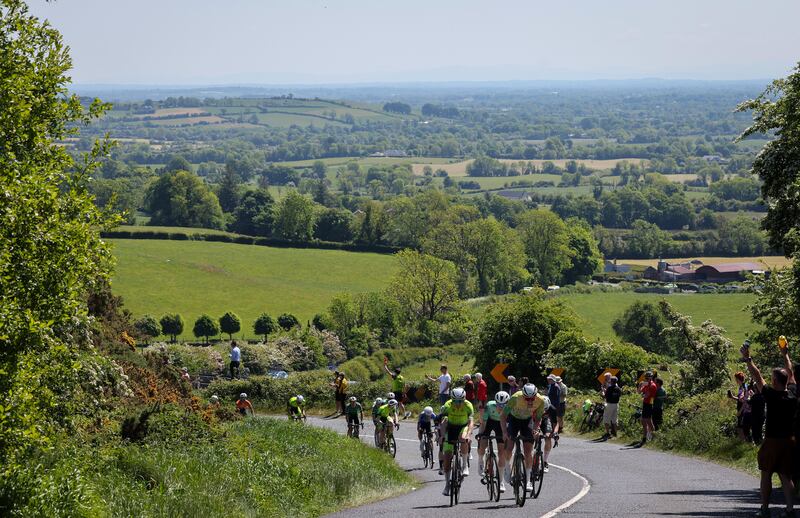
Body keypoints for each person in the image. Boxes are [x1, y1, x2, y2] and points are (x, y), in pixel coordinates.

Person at [742, 340, 796, 518]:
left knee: (766, 474)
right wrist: (785, 354)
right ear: (787, 381)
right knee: (786, 476)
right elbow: (791, 373)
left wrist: (748, 359)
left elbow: (757, 378)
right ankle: (790, 510)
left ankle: (765, 509)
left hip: (773, 440)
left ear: (774, 381)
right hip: (789, 441)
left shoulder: (771, 396)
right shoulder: (792, 394)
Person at [500, 383, 545, 493]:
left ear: (536, 395)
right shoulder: (515, 398)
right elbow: (503, 416)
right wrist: (504, 432)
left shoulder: (540, 400)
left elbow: (538, 418)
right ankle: (507, 466)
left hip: (527, 421)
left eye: (532, 398)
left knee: (528, 451)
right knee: (509, 446)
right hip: (514, 420)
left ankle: (528, 479)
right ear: (523, 395)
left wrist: (536, 428)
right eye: (527, 398)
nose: (530, 400)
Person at [439, 387, 474, 496]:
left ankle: (464, 465)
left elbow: (471, 422)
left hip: (462, 427)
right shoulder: (447, 405)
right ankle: (447, 484)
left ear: (464, 399)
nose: (458, 403)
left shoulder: (468, 405)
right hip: (451, 428)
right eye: (455, 401)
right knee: (447, 459)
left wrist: (469, 434)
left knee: (463, 439)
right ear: (452, 399)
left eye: (460, 401)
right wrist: (442, 436)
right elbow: (443, 422)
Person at [477, 391, 509, 493]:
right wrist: (481, 434)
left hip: (501, 424)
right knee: (483, 441)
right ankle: (481, 459)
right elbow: (484, 422)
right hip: (490, 422)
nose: (500, 407)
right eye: (498, 404)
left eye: (503, 405)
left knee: (501, 452)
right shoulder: (489, 406)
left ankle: (501, 481)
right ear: (495, 402)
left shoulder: (510, 408)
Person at [728, 372, 752, 441]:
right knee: (740, 427)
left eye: (736, 379)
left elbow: (744, 400)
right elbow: (740, 399)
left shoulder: (744, 387)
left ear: (738, 379)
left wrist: (740, 411)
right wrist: (732, 397)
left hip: (743, 409)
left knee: (741, 427)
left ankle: (743, 442)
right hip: (741, 408)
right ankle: (744, 442)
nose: (736, 381)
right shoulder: (742, 387)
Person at [638, 372, 657, 446]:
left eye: (647, 378)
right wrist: (640, 386)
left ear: (651, 378)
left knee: (648, 421)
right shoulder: (646, 385)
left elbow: (647, 395)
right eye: (645, 378)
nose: (646, 379)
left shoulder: (652, 385)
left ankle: (653, 436)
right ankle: (645, 437)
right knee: (643, 420)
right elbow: (639, 392)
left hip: (649, 404)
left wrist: (644, 395)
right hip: (645, 403)